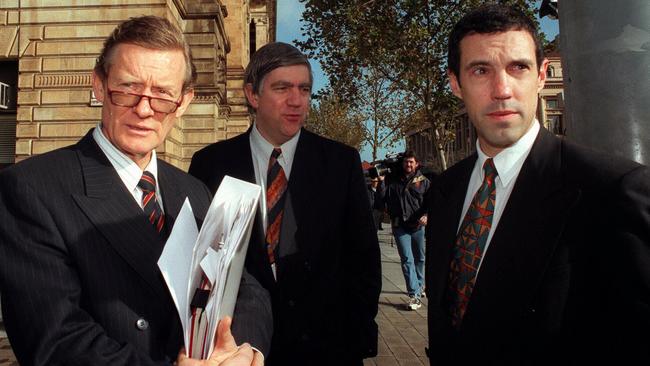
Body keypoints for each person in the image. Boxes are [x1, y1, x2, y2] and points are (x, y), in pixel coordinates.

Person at [0, 16, 272, 366]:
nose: (144, 110)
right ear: (99, 85)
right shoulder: (32, 187)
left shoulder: (192, 189)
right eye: (128, 88)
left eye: (162, 94)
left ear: (184, 102)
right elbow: (55, 339)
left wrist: (243, 350)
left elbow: (246, 289)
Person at [424, 4, 650, 365]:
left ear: (542, 75)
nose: (502, 89)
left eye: (518, 67)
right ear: (455, 83)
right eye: (481, 70)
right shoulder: (445, 189)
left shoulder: (612, 190)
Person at [189, 42, 382, 366]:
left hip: (327, 349)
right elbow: (200, 265)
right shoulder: (211, 164)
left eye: (304, 89)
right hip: (238, 350)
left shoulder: (340, 162)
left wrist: (354, 335)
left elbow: (363, 259)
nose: (297, 100)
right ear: (253, 95)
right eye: (282, 88)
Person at [378, 151, 430, 310]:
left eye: (411, 162)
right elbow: (381, 200)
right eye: (406, 162)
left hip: (417, 226)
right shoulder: (393, 180)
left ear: (416, 164)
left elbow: (432, 201)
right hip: (399, 225)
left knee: (420, 258)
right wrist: (381, 182)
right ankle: (414, 294)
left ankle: (420, 286)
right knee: (407, 259)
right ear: (402, 163)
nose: (408, 165)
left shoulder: (424, 182)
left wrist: (427, 215)